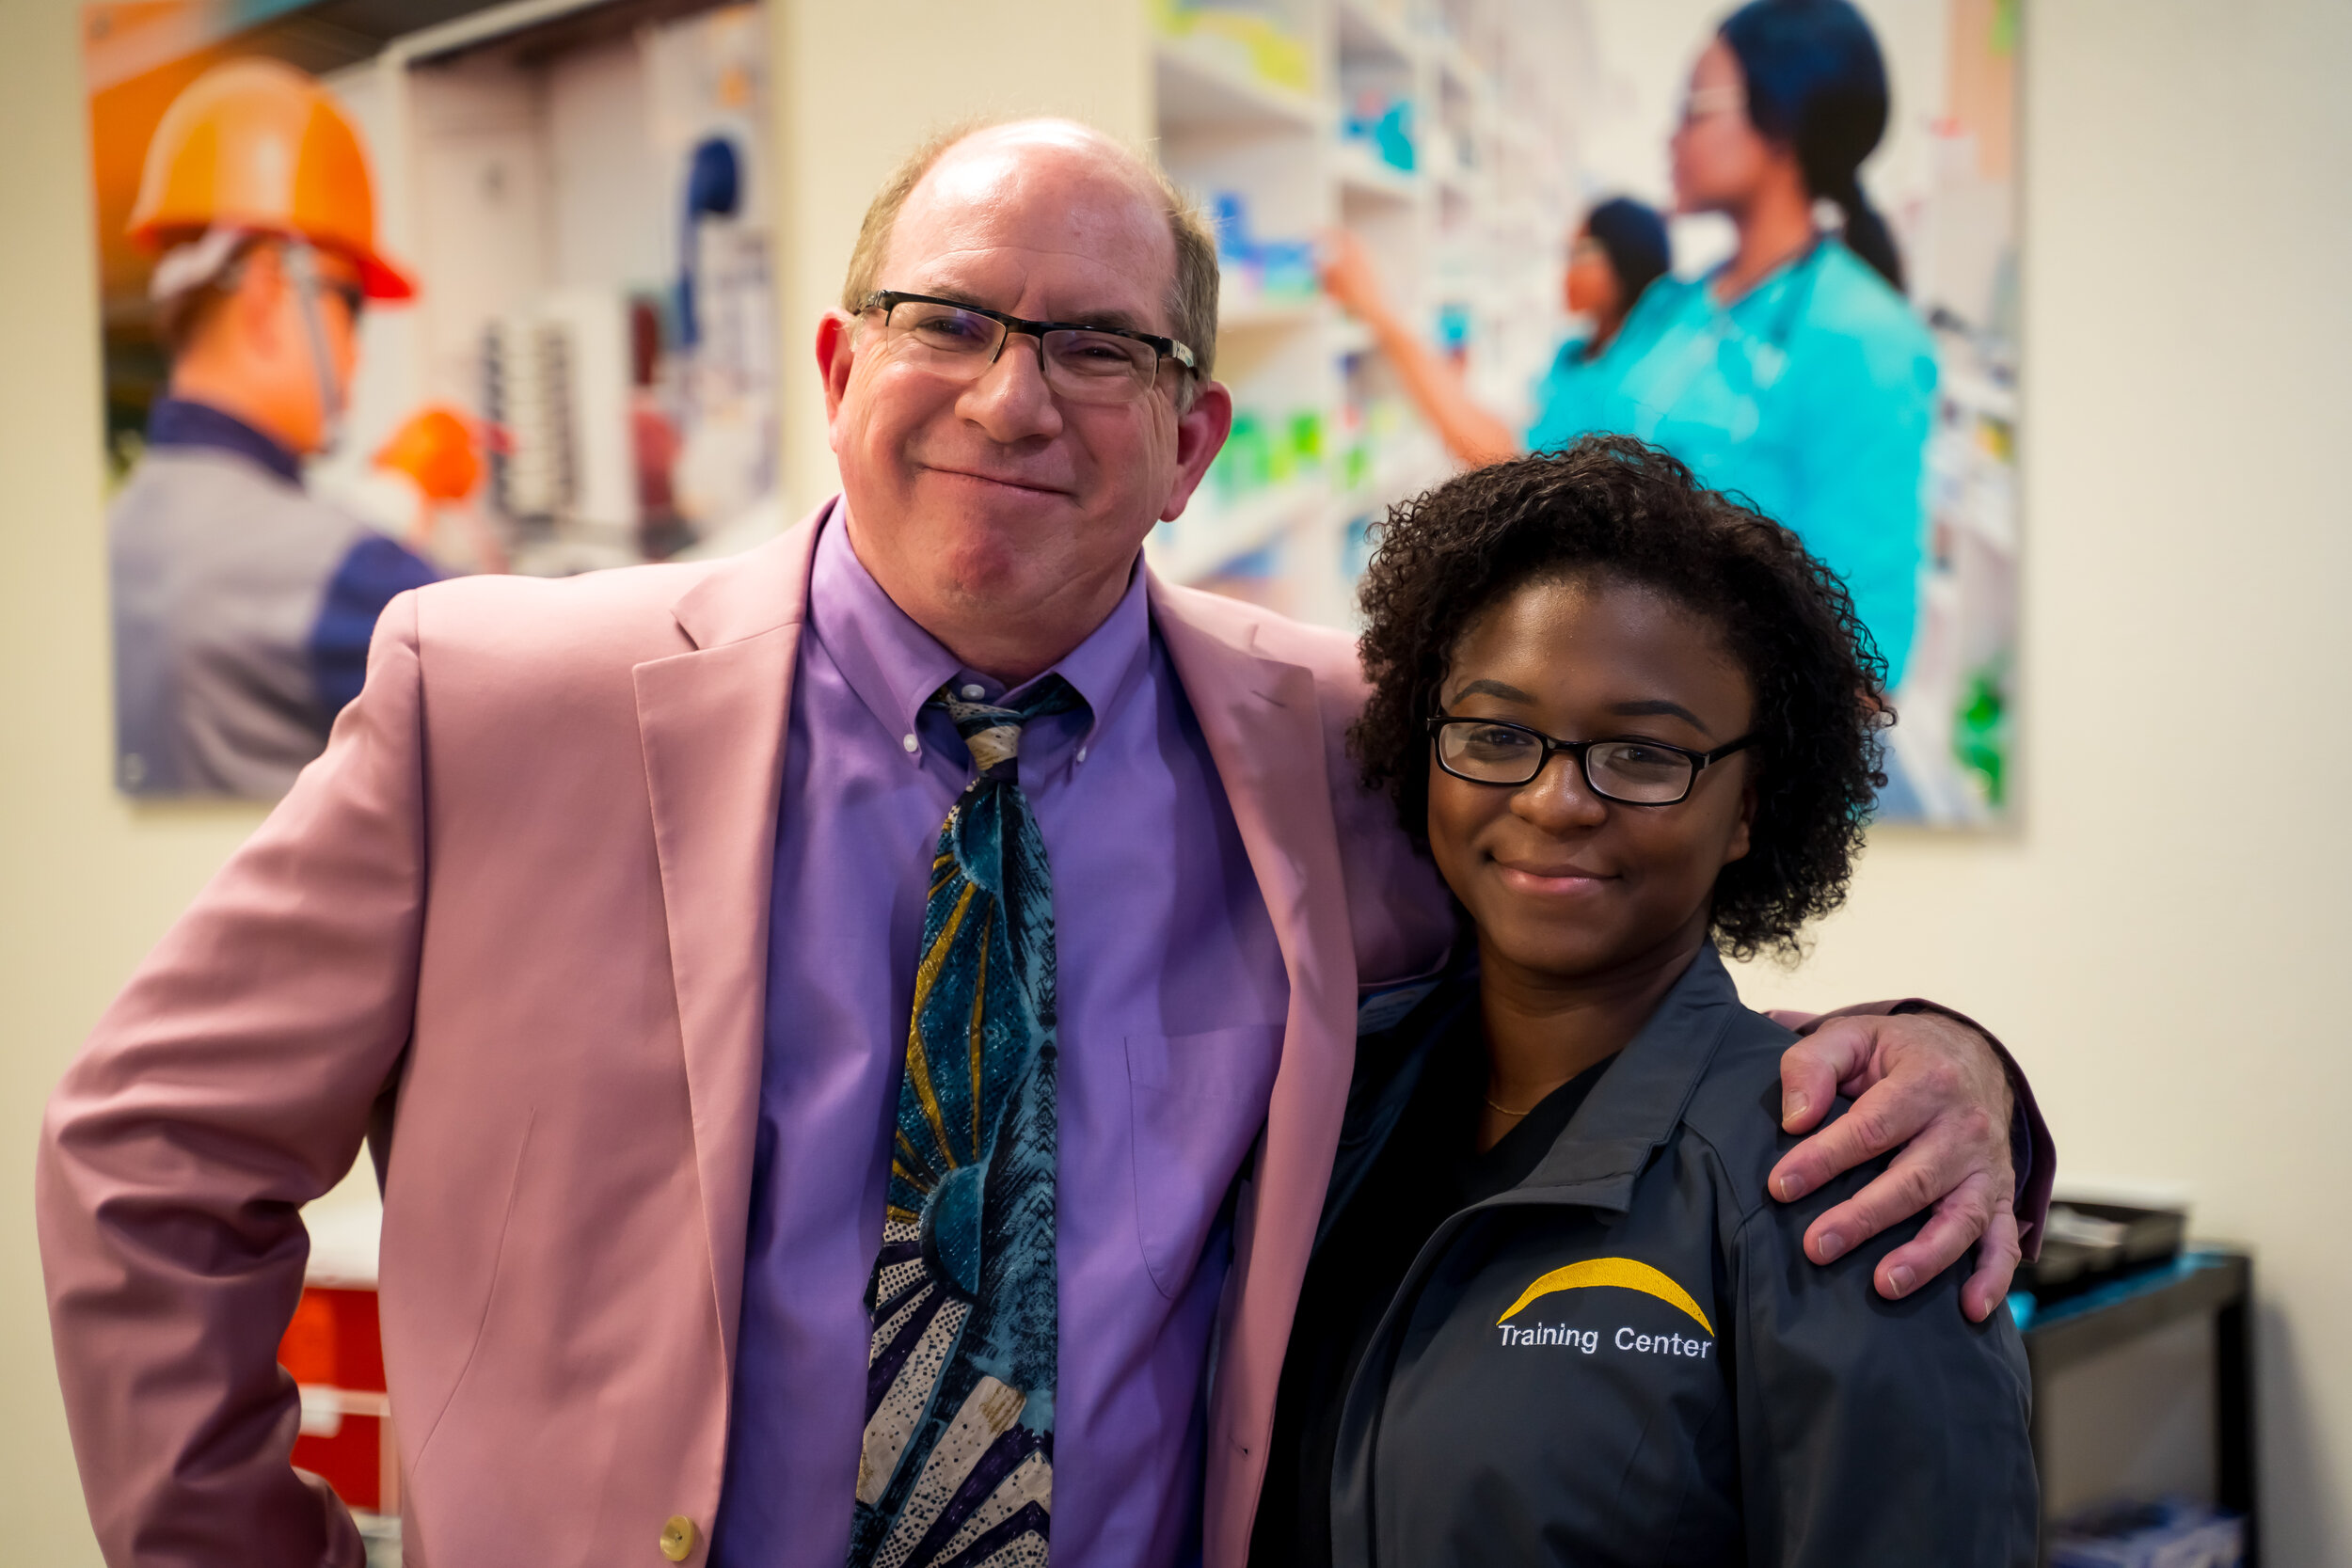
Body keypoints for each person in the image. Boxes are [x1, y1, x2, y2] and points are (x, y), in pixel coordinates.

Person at [38, 119, 2047, 1568]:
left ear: (1190, 442)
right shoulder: (494, 700)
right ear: (840, 371)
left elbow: (1605, 934)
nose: (1016, 398)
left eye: (1102, 348)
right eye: (948, 320)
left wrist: (1955, 1066)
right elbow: (149, 1150)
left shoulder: (1340, 756)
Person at [1252, 437, 2036, 1566]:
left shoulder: (1845, 1187)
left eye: (1641, 753)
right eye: (1495, 732)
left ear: (1750, 807)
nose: (1555, 798)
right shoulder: (1323, 1109)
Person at [109, 58, 438, 800]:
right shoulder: (344, 573)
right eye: (349, 306)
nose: (357, 348)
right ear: (264, 293)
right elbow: (546, 685)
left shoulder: (109, 536)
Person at [1317, 196, 1671, 469]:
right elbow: (1531, 440)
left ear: (1623, 262)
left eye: (1578, 252)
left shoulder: (1635, 381)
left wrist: (1377, 310)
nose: (1565, 269)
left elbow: (1510, 462)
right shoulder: (1578, 353)